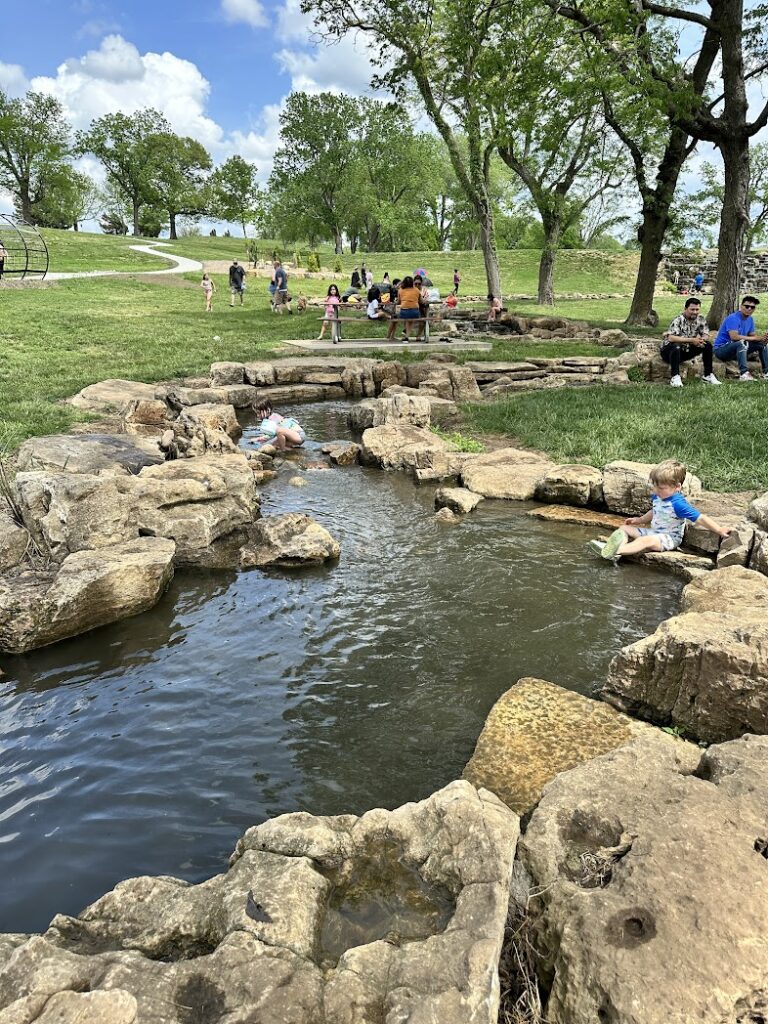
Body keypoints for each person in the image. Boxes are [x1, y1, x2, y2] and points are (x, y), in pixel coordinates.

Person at [589, 459, 731, 561]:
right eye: (655, 486)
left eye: (661, 488)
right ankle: (617, 551)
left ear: (677, 487)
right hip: (654, 532)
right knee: (624, 528)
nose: (656, 491)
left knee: (645, 541)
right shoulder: (659, 497)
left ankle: (617, 551)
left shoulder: (678, 504)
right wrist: (639, 520)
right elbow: (654, 512)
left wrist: (719, 530)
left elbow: (700, 518)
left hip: (668, 539)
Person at [660, 297, 719, 387]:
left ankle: (708, 375)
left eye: (697, 309)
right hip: (670, 351)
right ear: (685, 309)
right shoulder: (678, 320)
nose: (695, 312)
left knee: (707, 345)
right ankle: (675, 377)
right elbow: (671, 338)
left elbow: (706, 334)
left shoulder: (701, 319)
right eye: (692, 309)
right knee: (676, 346)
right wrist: (692, 340)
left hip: (686, 350)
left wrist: (701, 340)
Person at [713, 296, 768, 381]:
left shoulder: (750, 319)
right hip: (721, 350)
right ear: (741, 306)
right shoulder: (733, 318)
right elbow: (734, 337)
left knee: (763, 345)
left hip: (737, 350)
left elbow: (752, 336)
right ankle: (744, 374)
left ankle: (766, 373)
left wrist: (762, 339)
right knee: (741, 342)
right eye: (747, 306)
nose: (749, 309)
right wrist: (754, 339)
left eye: (752, 307)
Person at [387, 275, 420, 342]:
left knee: (406, 318)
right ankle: (406, 336)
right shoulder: (416, 290)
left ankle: (405, 335)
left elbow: (399, 301)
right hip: (415, 311)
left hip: (404, 312)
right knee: (411, 319)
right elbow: (421, 300)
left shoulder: (400, 290)